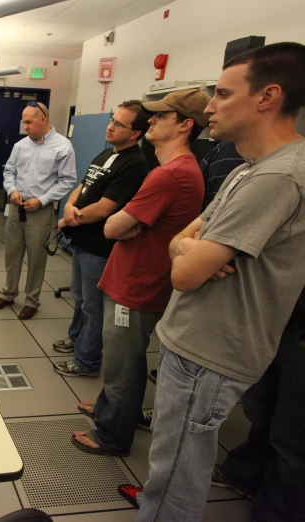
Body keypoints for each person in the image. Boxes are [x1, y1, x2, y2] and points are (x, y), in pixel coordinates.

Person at [135, 42, 305, 521]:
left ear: (267, 96)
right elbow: (183, 240)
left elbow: (185, 274)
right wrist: (190, 251)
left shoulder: (278, 177)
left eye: (223, 94)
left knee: (173, 480)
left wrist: (190, 255)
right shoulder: (246, 169)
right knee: (169, 467)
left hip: (208, 354)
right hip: (192, 343)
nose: (209, 106)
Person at [67, 89, 208, 456]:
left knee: (123, 365)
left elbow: (114, 228)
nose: (152, 121)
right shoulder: (175, 170)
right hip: (134, 277)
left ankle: (113, 435)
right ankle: (107, 408)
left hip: (137, 285)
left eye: (161, 116)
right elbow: (130, 224)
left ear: (185, 125)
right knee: (118, 360)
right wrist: (133, 224)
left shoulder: (171, 175)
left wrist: (130, 224)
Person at [51, 101, 150, 377]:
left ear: (135, 133)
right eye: (112, 119)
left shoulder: (134, 164)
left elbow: (107, 208)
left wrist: (71, 217)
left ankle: (87, 361)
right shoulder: (108, 153)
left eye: (119, 124)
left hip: (100, 247)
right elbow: (83, 186)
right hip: (83, 241)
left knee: (94, 307)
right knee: (81, 298)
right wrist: (69, 207)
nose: (110, 126)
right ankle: (76, 339)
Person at [211, 287, 305, 522]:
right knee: (261, 409)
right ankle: (245, 474)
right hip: (279, 316)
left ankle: (275, 512)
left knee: (293, 438)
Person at [0, 101, 76, 319]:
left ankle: (32, 301)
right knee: (12, 254)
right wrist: (12, 191)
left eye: (29, 122)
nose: (25, 126)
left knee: (37, 258)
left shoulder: (62, 146)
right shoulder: (21, 146)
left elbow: (67, 181)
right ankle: (9, 294)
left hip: (40, 210)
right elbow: (9, 172)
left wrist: (42, 199)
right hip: (17, 207)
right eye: (23, 122)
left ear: (43, 119)